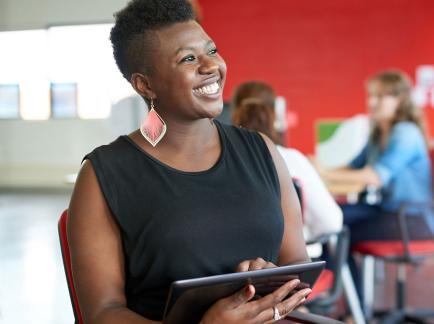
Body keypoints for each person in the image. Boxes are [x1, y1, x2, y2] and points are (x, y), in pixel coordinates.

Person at [67, 0, 311, 323]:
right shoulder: (102, 177)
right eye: (189, 58)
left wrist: (272, 281)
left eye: (211, 50)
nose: (211, 66)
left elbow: (298, 266)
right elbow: (102, 313)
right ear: (145, 84)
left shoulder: (262, 150)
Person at [319, 70, 434, 243]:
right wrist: (318, 171)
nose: (371, 102)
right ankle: (345, 271)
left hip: (411, 219)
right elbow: (353, 166)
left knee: (337, 231)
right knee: (329, 217)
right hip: (386, 209)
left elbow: (375, 177)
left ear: (400, 100)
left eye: (380, 97)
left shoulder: (406, 133)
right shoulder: (378, 132)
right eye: (371, 96)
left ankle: (344, 271)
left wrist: (324, 174)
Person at [231, 95, 343, 251]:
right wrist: (305, 235)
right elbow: (332, 222)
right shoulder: (293, 159)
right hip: (297, 258)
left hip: (242, 262)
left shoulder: (228, 165)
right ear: (274, 125)